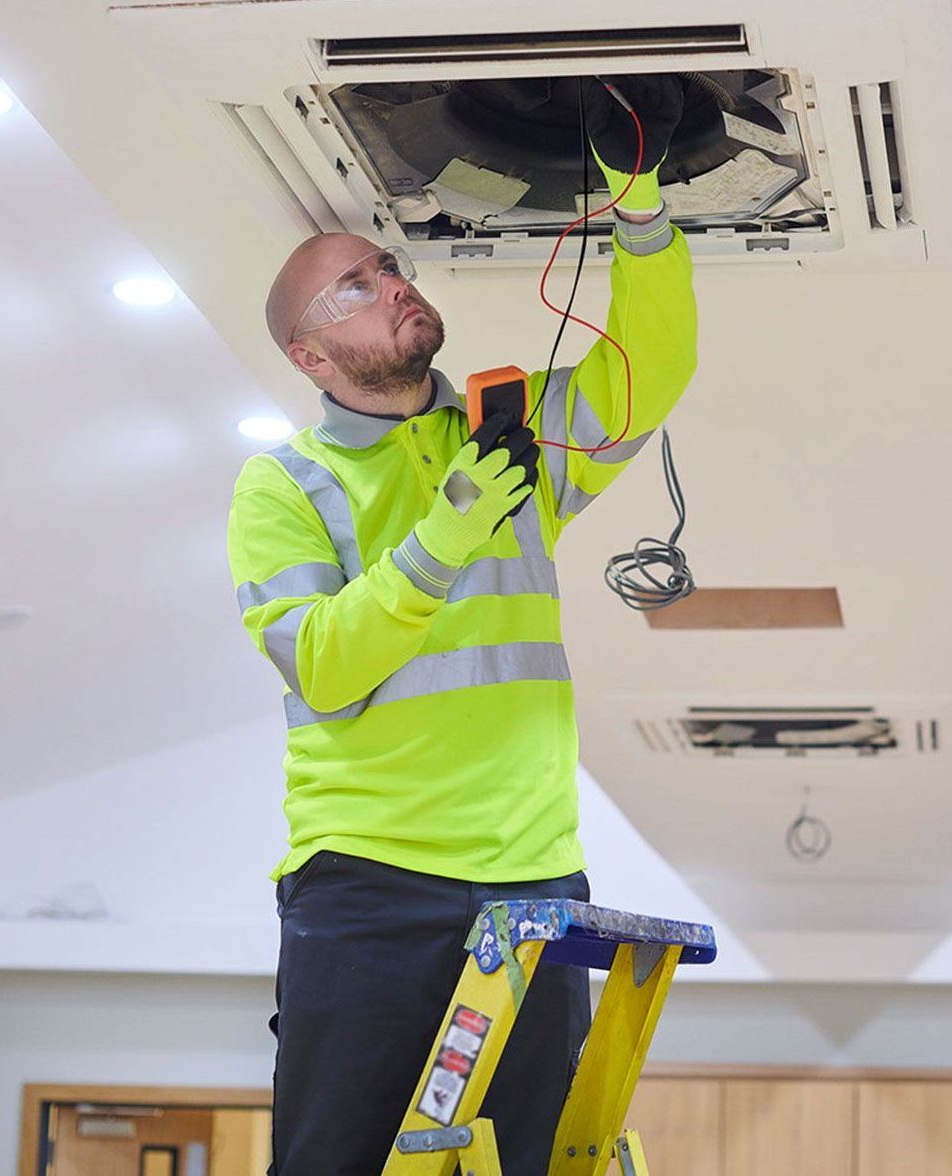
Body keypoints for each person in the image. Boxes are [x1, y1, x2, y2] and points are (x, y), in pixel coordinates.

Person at [227, 75, 696, 1176]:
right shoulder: (283, 485)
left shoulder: (513, 435)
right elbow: (326, 664)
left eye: (385, 266)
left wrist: (637, 203)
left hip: (532, 875)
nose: (388, 283)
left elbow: (653, 366)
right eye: (354, 287)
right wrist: (446, 533)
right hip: (367, 880)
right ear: (309, 354)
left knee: (527, 1159)